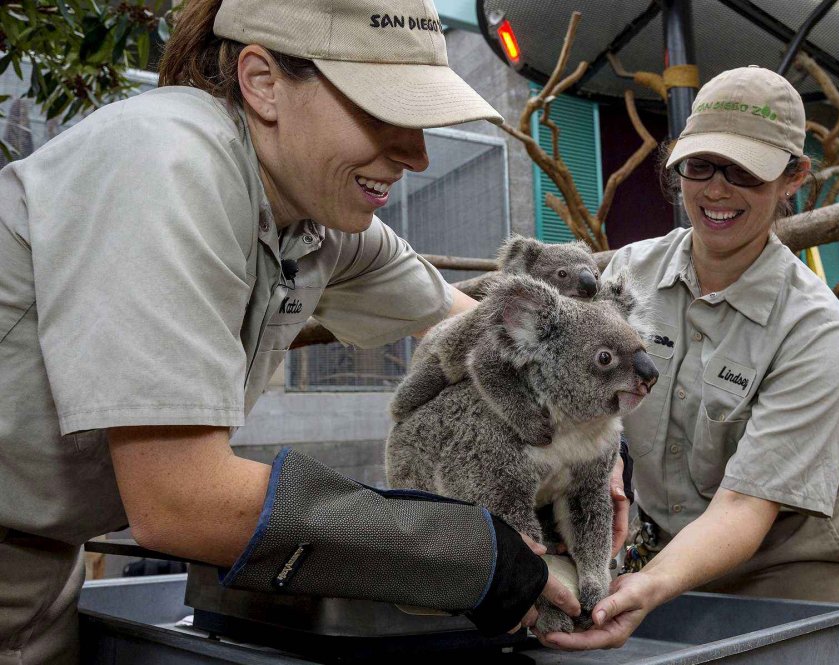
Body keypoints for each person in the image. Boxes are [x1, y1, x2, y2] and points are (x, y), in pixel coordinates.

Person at [0, 0, 584, 662]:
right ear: (263, 81)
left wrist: (587, 430)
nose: (416, 155)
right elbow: (182, 500)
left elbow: (469, 321)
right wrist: (469, 553)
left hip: (43, 585)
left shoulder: (315, 219)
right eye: (384, 111)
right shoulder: (166, 159)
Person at [538, 66, 839, 663]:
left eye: (745, 171)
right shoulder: (626, 276)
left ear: (793, 177)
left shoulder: (812, 327)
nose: (717, 191)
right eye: (701, 166)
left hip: (788, 574)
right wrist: (597, 455)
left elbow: (745, 507)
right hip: (667, 563)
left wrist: (649, 586)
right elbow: (561, 388)